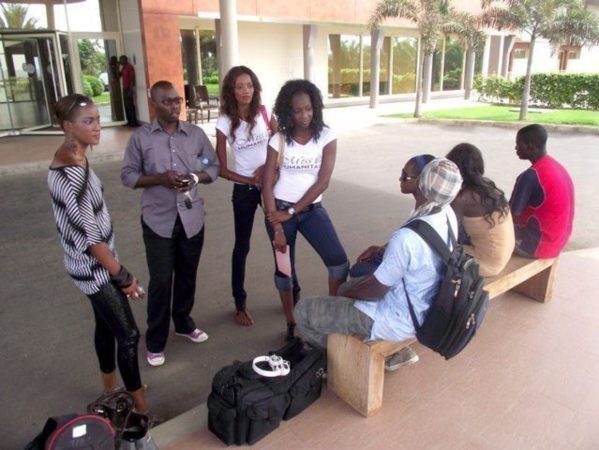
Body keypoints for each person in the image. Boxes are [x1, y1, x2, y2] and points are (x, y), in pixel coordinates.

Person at [295, 158, 463, 371]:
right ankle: (394, 354)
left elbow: (374, 290)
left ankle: (345, 363)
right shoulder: (447, 214)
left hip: (397, 319)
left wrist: (346, 296)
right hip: (425, 305)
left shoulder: (407, 238)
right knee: (346, 288)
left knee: (305, 310)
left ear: (422, 182)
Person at [48, 94, 148, 411]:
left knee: (105, 326)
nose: (97, 127)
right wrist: (123, 277)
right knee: (129, 335)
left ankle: (110, 389)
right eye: (87, 121)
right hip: (95, 269)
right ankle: (142, 410)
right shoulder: (70, 173)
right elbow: (92, 239)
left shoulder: (74, 155)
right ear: (68, 126)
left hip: (88, 264)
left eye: (97, 119)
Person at [121, 80, 219, 367]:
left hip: (192, 219)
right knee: (162, 282)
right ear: (154, 104)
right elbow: (128, 175)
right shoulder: (141, 139)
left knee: (187, 275)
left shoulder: (195, 135)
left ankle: (184, 323)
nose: (175, 105)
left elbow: (211, 165)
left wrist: (196, 177)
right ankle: (155, 341)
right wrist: (159, 179)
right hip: (158, 221)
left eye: (177, 100)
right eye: (167, 101)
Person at [262, 79, 349, 341]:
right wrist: (277, 225)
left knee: (339, 263)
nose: (304, 115)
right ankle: (292, 323)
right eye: (298, 110)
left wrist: (292, 212)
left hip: (310, 211)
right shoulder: (278, 139)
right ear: (288, 111)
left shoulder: (326, 136)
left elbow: (323, 181)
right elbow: (266, 185)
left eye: (309, 109)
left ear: (316, 107)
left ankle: (333, 316)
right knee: (285, 271)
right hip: (278, 211)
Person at [215, 66, 276, 326]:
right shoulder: (224, 121)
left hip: (272, 185)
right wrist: (250, 179)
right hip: (244, 190)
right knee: (242, 246)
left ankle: (291, 294)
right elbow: (221, 169)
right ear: (231, 90)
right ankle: (240, 304)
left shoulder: (263, 112)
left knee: (281, 240)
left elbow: (280, 143)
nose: (245, 91)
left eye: (249, 85)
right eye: (240, 86)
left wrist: (266, 170)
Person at [350, 154, 435, 279]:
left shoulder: (420, 222)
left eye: (405, 176)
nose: (400, 179)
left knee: (355, 273)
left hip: (407, 279)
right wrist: (380, 249)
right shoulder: (427, 208)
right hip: (406, 264)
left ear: (420, 180)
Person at [447, 143, 514, 276]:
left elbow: (450, 235)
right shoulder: (488, 186)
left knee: (434, 253)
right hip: (502, 255)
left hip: (487, 263)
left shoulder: (463, 198)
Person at [510, 124, 575, 258]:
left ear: (530, 146)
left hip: (539, 245)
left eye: (518, 144)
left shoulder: (530, 176)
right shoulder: (557, 167)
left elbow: (510, 214)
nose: (516, 148)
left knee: (483, 233)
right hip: (559, 241)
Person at [119, 55, 139, 127]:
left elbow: (132, 80)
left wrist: (131, 90)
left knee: (130, 106)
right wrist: (116, 67)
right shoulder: (123, 68)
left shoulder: (129, 67)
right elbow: (118, 76)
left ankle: (134, 122)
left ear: (125, 60)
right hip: (124, 89)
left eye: (121, 60)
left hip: (129, 89)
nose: (120, 61)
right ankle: (129, 121)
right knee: (126, 106)